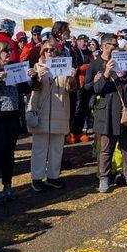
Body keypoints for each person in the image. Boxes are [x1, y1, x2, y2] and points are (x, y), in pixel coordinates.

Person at [86, 33, 127, 193]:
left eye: (123, 57)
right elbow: (96, 89)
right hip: (108, 114)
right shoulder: (105, 70)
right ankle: (104, 178)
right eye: (116, 56)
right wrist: (105, 73)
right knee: (106, 149)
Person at [0, 41, 32, 205]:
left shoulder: (15, 66)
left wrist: (31, 77)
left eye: (10, 50)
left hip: (12, 116)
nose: (9, 53)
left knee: (9, 153)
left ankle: (7, 185)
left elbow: (25, 89)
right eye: (5, 51)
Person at [28, 40, 76, 192]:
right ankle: (36, 178)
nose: (50, 52)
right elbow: (33, 88)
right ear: (42, 52)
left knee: (56, 148)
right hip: (41, 111)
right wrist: (38, 77)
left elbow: (69, 89)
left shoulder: (64, 66)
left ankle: (53, 176)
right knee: (39, 148)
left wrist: (72, 78)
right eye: (47, 50)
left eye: (52, 50)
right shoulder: (36, 67)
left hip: (59, 111)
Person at [69, 34, 94, 142]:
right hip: (79, 83)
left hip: (88, 83)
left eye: (86, 41)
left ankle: (78, 131)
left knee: (85, 108)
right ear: (78, 42)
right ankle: (71, 132)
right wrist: (84, 67)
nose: (85, 43)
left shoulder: (89, 53)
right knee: (77, 108)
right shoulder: (75, 52)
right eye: (83, 41)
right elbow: (74, 66)